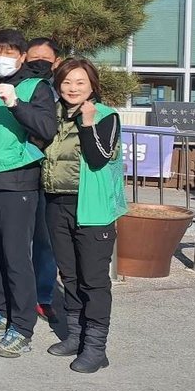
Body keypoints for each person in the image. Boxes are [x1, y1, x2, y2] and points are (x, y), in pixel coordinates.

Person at [0, 28, 57, 358]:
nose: (2, 57)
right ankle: (3, 313)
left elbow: (47, 128)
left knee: (16, 257)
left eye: (9, 52)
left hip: (17, 182)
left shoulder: (35, 87)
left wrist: (16, 104)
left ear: (22, 56)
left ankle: (22, 328)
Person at [43, 59, 125, 373]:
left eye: (80, 82)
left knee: (93, 281)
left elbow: (98, 157)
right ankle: (75, 335)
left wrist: (87, 122)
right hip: (57, 204)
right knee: (70, 276)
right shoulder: (54, 115)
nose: (72, 88)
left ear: (92, 85)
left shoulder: (106, 115)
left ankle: (96, 347)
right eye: (66, 82)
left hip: (93, 209)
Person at [27, 36, 64, 322]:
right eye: (33, 59)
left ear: (57, 62)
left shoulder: (66, 92)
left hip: (54, 176)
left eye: (45, 60)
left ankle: (43, 296)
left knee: (47, 241)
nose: (39, 63)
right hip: (23, 172)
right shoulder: (21, 88)